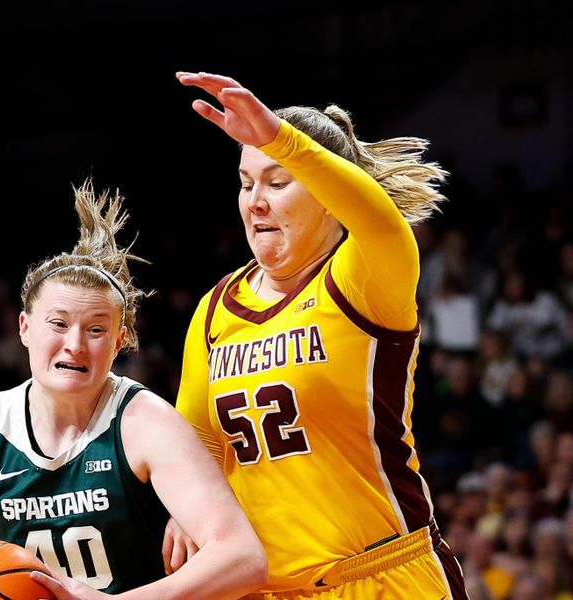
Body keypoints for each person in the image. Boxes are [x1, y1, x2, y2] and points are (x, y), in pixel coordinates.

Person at [0, 180, 267, 600]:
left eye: (95, 329)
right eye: (58, 323)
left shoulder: (145, 423)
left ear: (120, 341)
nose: (74, 344)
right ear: (24, 328)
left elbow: (242, 558)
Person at [170, 71, 469, 599]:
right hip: (264, 590)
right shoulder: (216, 308)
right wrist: (187, 508)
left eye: (278, 182)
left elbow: (380, 221)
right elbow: (199, 441)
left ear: (330, 196)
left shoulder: (364, 273)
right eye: (246, 183)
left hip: (380, 578)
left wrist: (280, 137)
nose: (255, 202)